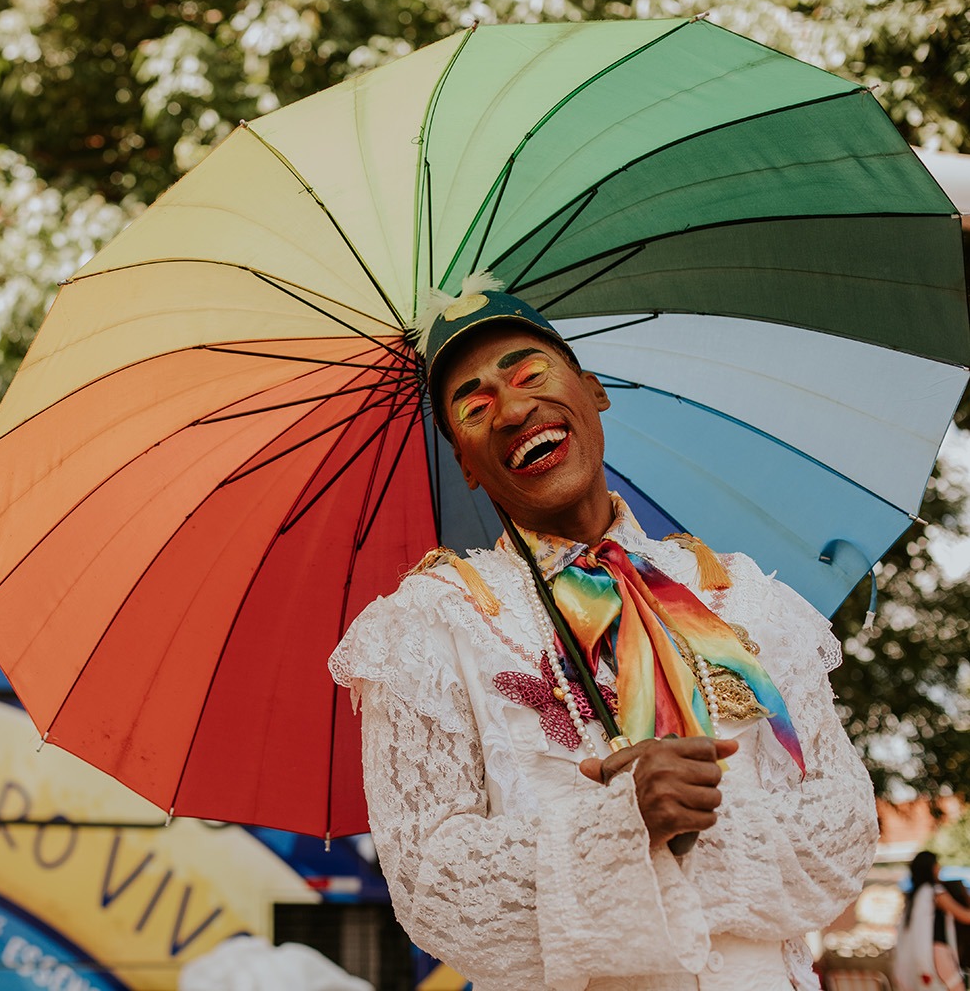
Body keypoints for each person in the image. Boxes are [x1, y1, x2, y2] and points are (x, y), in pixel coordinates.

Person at [328, 276, 878, 991]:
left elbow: (842, 833)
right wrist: (620, 828)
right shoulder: (430, 626)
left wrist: (701, 827)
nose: (513, 409)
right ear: (465, 462)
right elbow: (434, 889)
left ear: (593, 391)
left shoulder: (741, 596)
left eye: (530, 374)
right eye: (474, 407)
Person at [895, 850, 970, 991]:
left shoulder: (914, 895)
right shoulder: (935, 892)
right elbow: (964, 916)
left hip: (919, 953)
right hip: (938, 949)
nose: (939, 868)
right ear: (930, 867)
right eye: (936, 864)